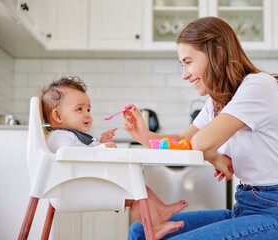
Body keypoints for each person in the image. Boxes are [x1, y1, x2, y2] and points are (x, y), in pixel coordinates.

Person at [124, 17, 278, 240]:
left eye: (188, 62)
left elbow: (201, 143)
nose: (184, 74)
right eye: (182, 64)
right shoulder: (218, 102)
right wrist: (144, 136)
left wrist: (214, 157)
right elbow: (184, 139)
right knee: (140, 232)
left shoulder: (258, 85)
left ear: (217, 53)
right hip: (247, 206)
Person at [41, 76, 188, 239]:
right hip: (78, 189)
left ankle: (161, 209)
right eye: (79, 109)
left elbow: (84, 154)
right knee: (134, 190)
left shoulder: (70, 135)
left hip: (86, 183)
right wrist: (102, 149)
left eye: (88, 110)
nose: (87, 115)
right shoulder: (59, 137)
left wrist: (100, 143)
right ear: (58, 115)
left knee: (136, 183)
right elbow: (70, 156)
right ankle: (156, 226)